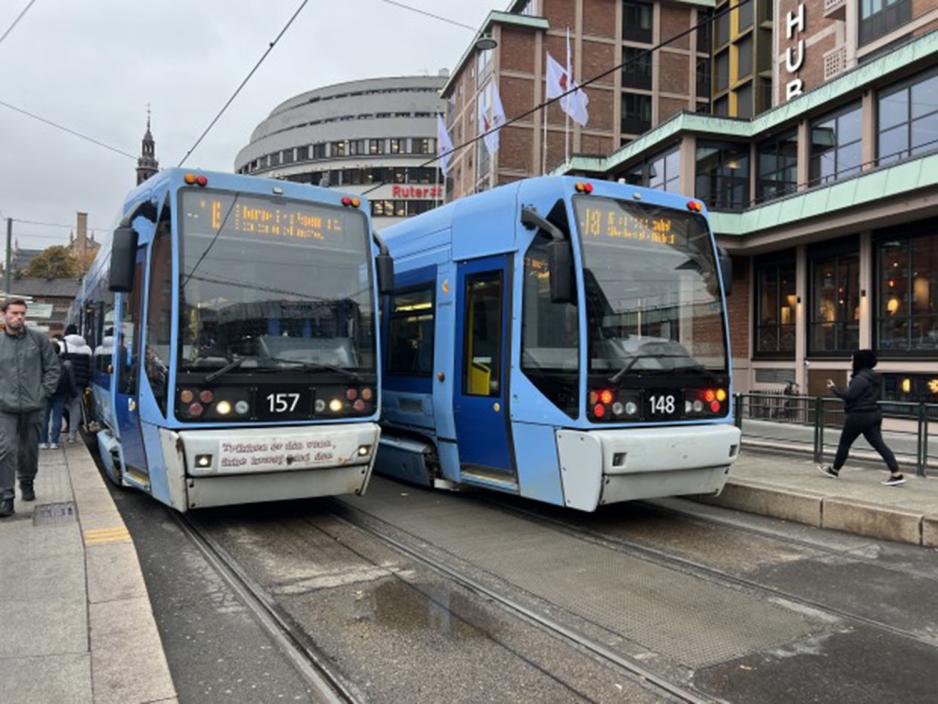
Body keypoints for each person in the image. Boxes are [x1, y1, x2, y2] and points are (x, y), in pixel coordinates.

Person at [0, 299, 61, 517]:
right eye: (15, 313)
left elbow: (53, 368)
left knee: (29, 450)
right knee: (5, 449)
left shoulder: (38, 340)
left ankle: (27, 481)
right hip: (4, 407)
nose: (19, 317)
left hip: (33, 406)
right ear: (4, 314)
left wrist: (43, 392)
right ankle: (6, 496)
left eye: (22, 314)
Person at [817, 349, 904, 486]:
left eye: (852, 359)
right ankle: (896, 473)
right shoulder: (874, 377)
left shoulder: (860, 379)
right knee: (880, 445)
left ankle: (834, 470)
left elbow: (850, 396)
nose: (851, 362)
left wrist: (833, 388)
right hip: (874, 414)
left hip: (859, 415)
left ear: (859, 361)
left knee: (845, 443)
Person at [40, 341, 79, 450]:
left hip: (45, 393)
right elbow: (71, 380)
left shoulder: (42, 363)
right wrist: (74, 393)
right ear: (59, 351)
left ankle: (43, 442)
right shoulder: (65, 364)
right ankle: (54, 442)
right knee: (57, 417)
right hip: (60, 394)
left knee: (44, 418)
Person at [62, 324, 92, 442]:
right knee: (75, 406)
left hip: (64, 381)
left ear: (66, 333)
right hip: (79, 382)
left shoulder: (62, 345)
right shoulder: (87, 348)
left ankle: (63, 427)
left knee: (60, 404)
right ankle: (72, 435)